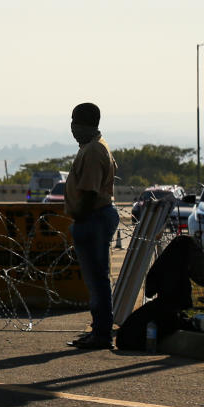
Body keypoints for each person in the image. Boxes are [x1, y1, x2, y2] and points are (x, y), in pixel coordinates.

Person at [64, 102, 119, 350]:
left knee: (98, 279)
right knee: (95, 279)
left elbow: (88, 191)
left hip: (93, 217)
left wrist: (79, 217)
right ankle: (98, 330)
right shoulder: (90, 146)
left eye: (75, 122)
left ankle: (101, 333)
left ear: (86, 124)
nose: (72, 128)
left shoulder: (94, 150)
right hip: (92, 217)